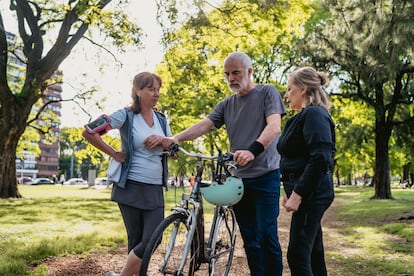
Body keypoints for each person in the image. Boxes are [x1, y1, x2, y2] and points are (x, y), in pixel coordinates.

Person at [164, 52, 286, 275]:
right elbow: (204, 125)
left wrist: (252, 150)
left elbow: (274, 127)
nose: (231, 78)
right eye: (227, 74)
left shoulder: (267, 92)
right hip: (238, 179)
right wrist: (176, 138)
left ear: (249, 72)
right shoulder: (227, 103)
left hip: (265, 175)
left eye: (236, 73)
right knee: (249, 238)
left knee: (267, 235)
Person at [82, 72, 172, 276]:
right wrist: (114, 153)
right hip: (130, 186)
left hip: (155, 188)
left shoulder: (161, 119)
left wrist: (165, 142)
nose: (156, 93)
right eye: (151, 89)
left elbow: (171, 149)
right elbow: (89, 131)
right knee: (136, 240)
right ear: (138, 91)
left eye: (158, 89)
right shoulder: (126, 115)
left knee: (153, 239)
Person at [277, 66, 336, 276]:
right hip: (305, 192)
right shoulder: (300, 117)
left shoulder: (315, 114)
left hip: (313, 193)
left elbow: (320, 158)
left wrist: (298, 194)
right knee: (313, 252)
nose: (286, 94)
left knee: (298, 254)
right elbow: (296, 158)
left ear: (302, 89)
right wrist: (291, 191)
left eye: (290, 89)